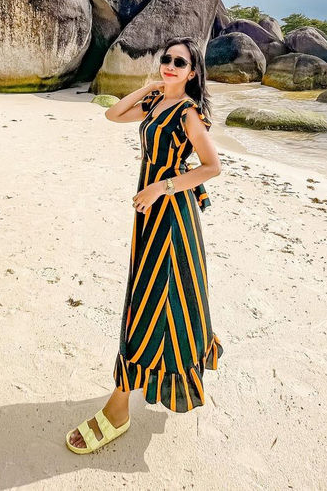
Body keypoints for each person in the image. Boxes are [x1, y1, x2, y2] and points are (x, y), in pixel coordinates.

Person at [66, 36, 224, 453]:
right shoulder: (157, 104)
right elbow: (113, 114)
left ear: (193, 72)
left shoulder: (189, 113)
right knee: (151, 298)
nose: (170, 65)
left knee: (149, 303)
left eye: (180, 62)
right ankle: (131, 391)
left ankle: (119, 408)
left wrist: (161, 188)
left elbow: (212, 167)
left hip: (171, 218)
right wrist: (150, 87)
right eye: (166, 59)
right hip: (151, 216)